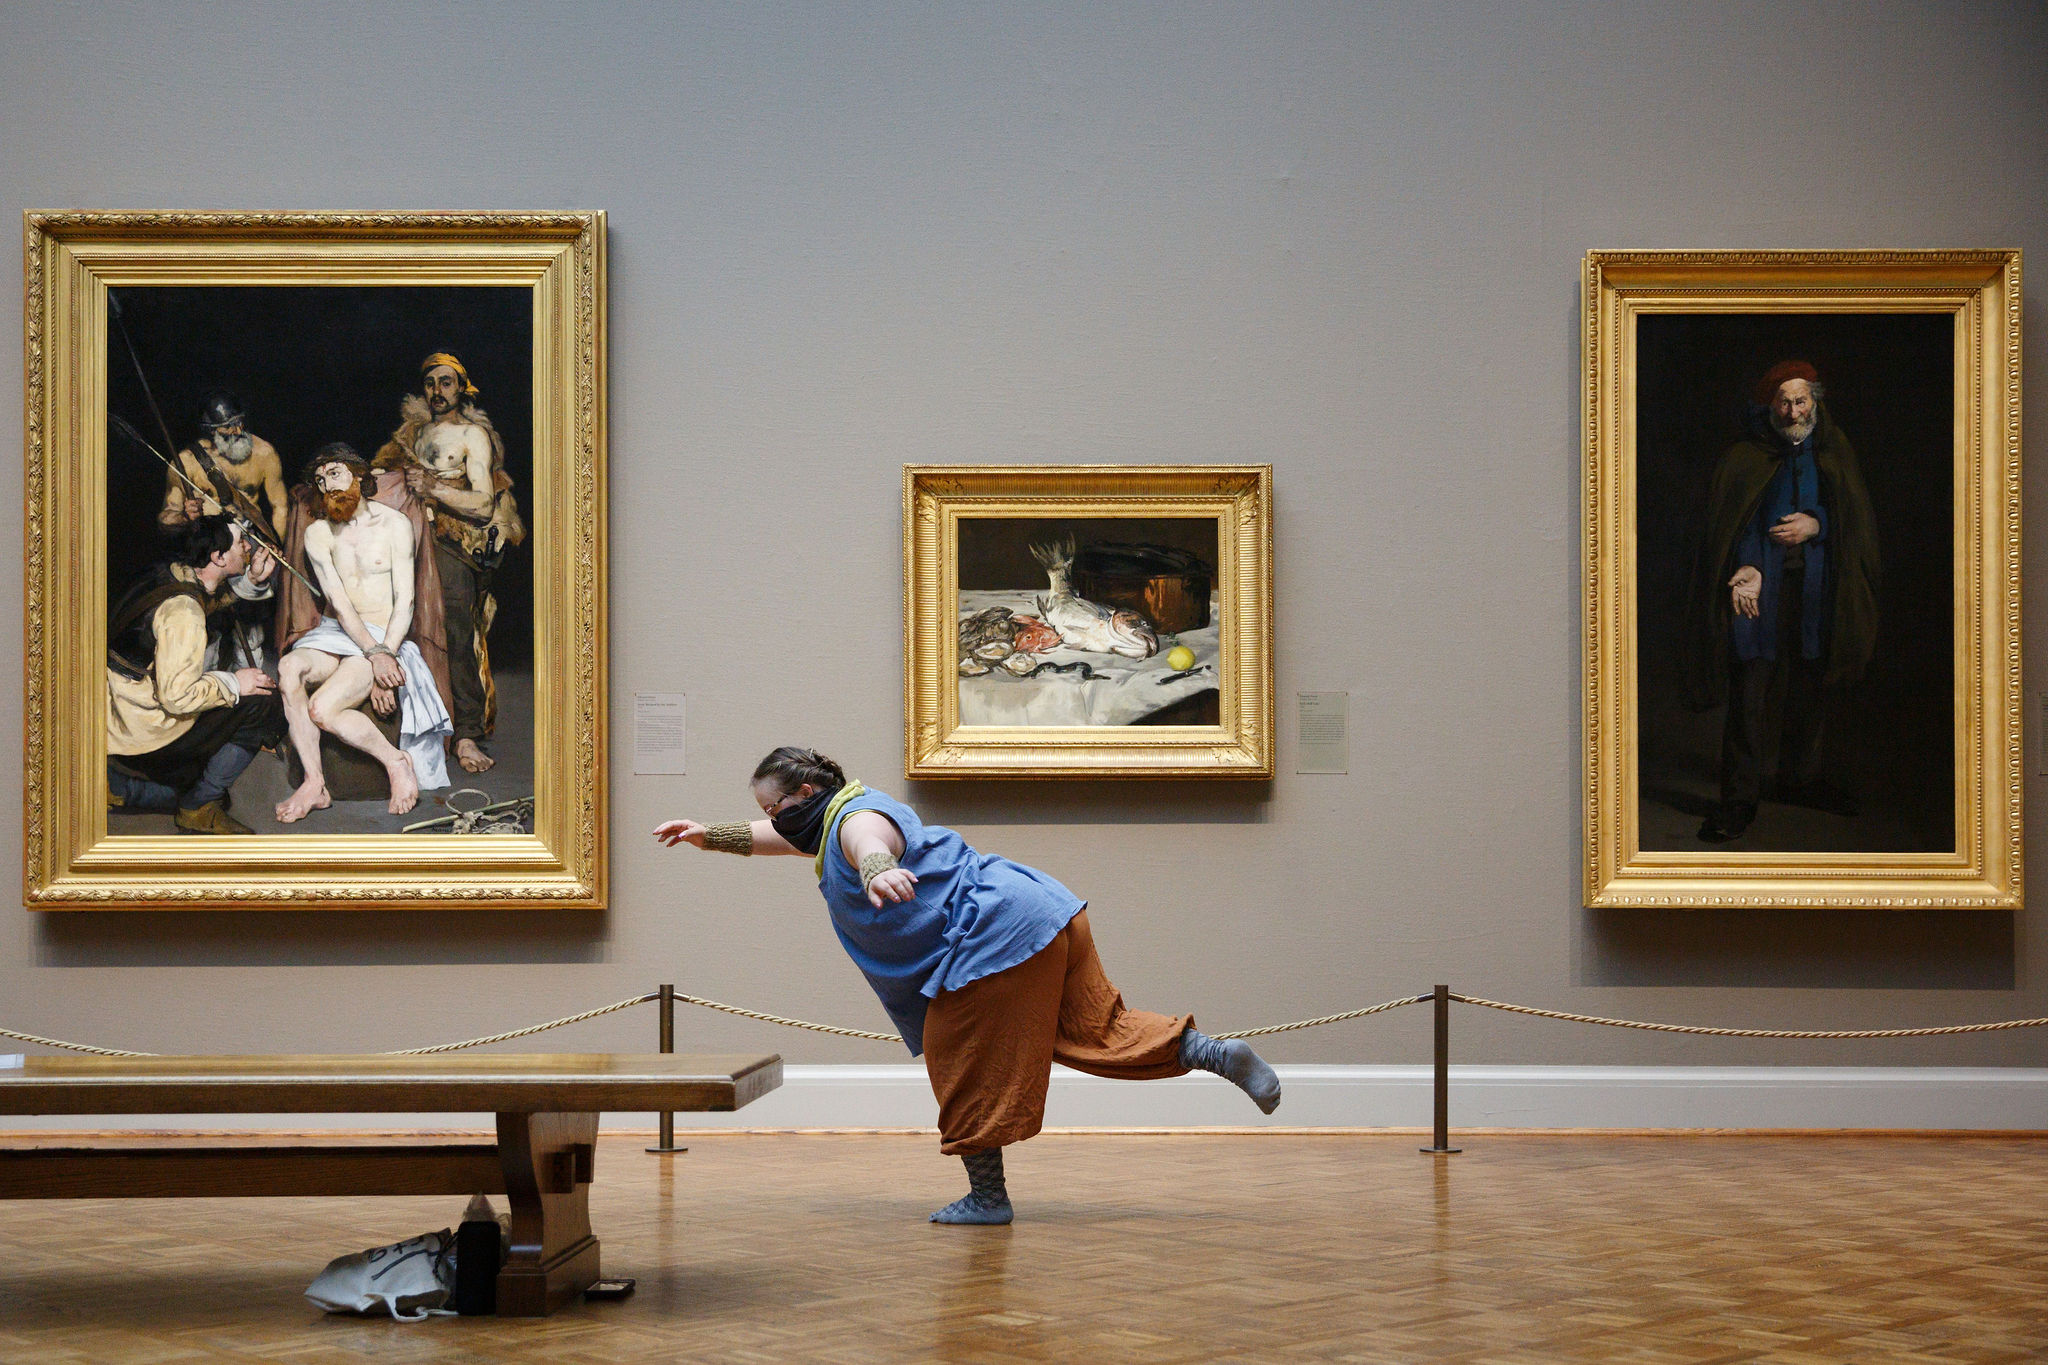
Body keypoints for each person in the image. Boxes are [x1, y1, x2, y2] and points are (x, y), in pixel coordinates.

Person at [653, 747, 1281, 1225]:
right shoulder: (837, 812)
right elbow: (789, 839)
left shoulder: (856, 818)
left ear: (807, 792)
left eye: (775, 807)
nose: (772, 819)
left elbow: (867, 842)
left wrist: (878, 871)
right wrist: (709, 835)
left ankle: (987, 1197)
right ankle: (1216, 1053)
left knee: (958, 1053)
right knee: (1095, 1028)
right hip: (1040, 910)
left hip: (991, 935)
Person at [1687, 361, 1880, 842]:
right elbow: (1731, 525)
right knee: (1750, 688)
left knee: (1810, 682)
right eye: (1784, 402)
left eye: (1801, 401)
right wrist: (1747, 568)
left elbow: (1853, 519)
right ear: (1769, 405)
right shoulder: (1745, 456)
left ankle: (1800, 779)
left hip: (1816, 588)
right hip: (1758, 589)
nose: (1793, 412)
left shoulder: (1833, 449)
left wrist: (1818, 524)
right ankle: (1739, 798)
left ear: (1815, 401)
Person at [273, 444, 452, 822]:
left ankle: (396, 761)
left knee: (322, 709)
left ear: (358, 474)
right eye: (320, 480)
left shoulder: (395, 525)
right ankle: (315, 784)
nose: (328, 486)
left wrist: (384, 652)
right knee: (289, 668)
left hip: (384, 635)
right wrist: (374, 655)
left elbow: (405, 601)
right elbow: (339, 604)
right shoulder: (318, 533)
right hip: (338, 633)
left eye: (334, 474)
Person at [373, 352, 525, 774]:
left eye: (446, 382)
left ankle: (467, 734)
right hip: (408, 540)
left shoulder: (473, 435)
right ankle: (416, 725)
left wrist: (434, 488)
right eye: (430, 383)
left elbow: (483, 503)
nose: (437, 391)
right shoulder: (412, 434)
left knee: (456, 633)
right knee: (402, 627)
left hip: (452, 544)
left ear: (461, 387)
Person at [106, 514, 285, 835]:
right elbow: (177, 698)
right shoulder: (183, 613)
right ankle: (198, 807)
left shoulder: (172, 575)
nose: (248, 547)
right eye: (241, 542)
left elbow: (208, 599)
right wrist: (234, 682)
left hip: (117, 716)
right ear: (218, 557)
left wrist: (251, 581)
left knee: (187, 778)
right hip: (142, 732)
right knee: (265, 702)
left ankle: (119, 787)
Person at [155, 391, 290, 672]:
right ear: (211, 431)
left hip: (247, 542)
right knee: (208, 617)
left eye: (240, 423)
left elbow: (280, 506)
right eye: (228, 427)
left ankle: (250, 675)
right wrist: (184, 516)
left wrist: (275, 543)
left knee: (251, 618)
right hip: (208, 548)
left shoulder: (264, 453)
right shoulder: (186, 463)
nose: (238, 431)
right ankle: (206, 676)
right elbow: (166, 519)